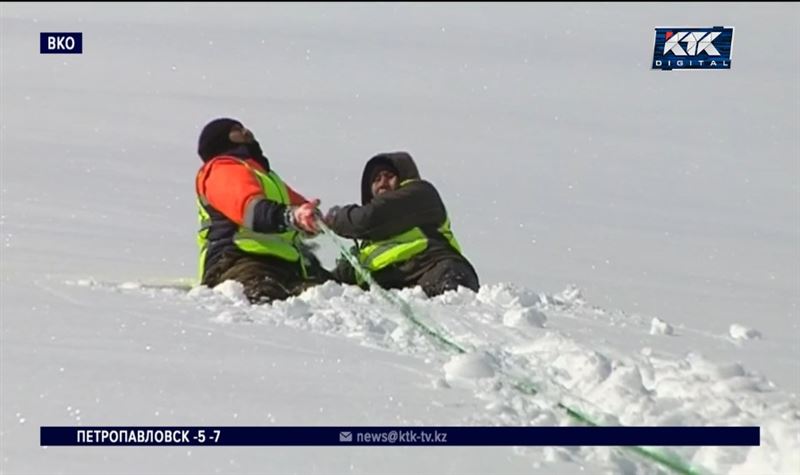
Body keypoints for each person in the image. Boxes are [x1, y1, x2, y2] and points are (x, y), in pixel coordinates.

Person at [194, 118, 328, 303]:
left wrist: (311, 218)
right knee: (264, 299)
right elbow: (249, 209)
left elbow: (300, 208)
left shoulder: (266, 176)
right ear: (220, 140)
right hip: (238, 261)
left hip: (284, 266)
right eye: (236, 130)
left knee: (322, 299)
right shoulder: (222, 169)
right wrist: (290, 217)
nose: (246, 131)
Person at [324, 151, 479, 297]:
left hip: (434, 269)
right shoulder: (368, 247)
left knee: (448, 313)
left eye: (389, 176)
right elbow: (330, 283)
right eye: (376, 180)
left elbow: (368, 218)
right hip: (398, 288)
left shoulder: (420, 194)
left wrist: (336, 217)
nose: (382, 183)